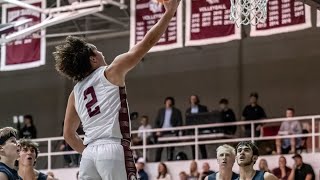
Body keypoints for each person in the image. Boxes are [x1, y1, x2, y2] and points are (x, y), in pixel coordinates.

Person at [53, 0, 182, 179]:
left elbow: (68, 134)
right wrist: (169, 13)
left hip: (89, 155)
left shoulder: (75, 94)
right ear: (92, 59)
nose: (102, 53)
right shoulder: (110, 71)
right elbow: (145, 44)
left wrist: (90, 153)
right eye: (98, 51)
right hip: (112, 148)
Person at [155, 97, 182, 161]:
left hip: (171, 132)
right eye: (167, 102)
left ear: (172, 103)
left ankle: (170, 160)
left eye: (170, 102)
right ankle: (157, 161)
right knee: (159, 148)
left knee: (170, 148)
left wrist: (176, 130)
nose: (169, 103)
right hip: (162, 132)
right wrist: (157, 130)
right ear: (165, 103)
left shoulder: (177, 111)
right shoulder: (161, 111)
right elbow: (157, 122)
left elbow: (179, 122)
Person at [186, 95, 208, 159]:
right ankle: (194, 159)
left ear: (197, 100)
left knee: (202, 146)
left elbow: (206, 118)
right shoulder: (188, 110)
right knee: (193, 146)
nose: (193, 100)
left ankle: (204, 158)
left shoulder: (203, 108)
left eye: (194, 99)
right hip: (192, 130)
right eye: (192, 99)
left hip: (200, 129)